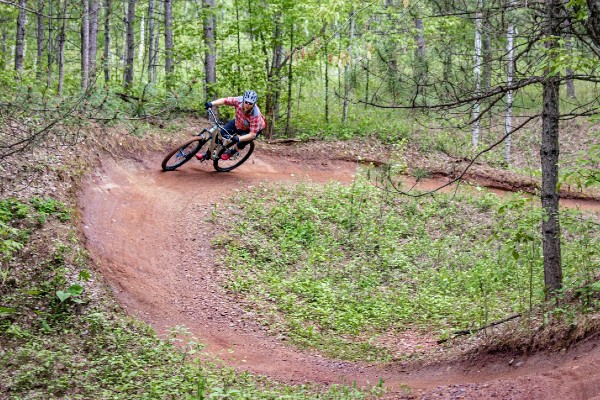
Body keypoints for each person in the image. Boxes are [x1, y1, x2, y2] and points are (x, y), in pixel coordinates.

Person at [197, 90, 266, 161]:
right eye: (246, 102)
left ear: (254, 104)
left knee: (241, 142)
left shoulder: (256, 115)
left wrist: (239, 138)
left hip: (251, 129)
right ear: (243, 100)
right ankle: (208, 154)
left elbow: (252, 134)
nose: (247, 104)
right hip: (238, 122)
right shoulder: (238, 100)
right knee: (220, 134)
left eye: (250, 103)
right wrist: (211, 103)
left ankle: (232, 152)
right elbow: (225, 100)